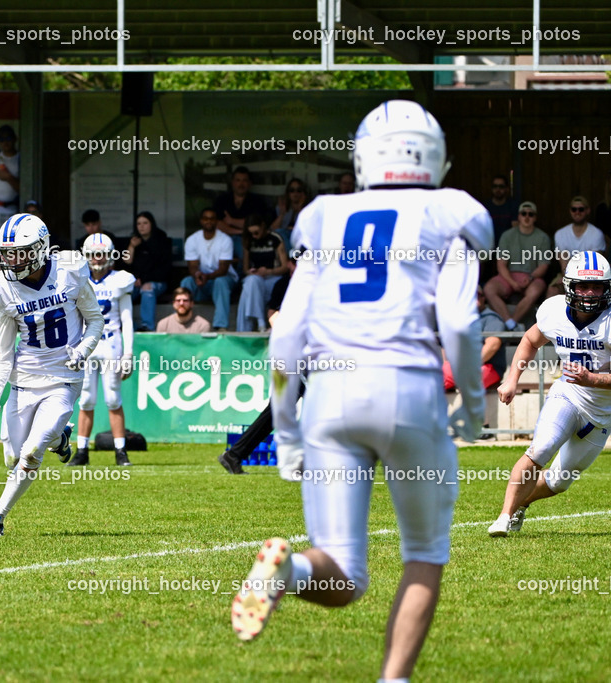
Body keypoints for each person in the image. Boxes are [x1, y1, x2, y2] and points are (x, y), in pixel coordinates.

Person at [232, 100, 492, 683]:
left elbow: (287, 337)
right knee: (424, 553)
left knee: (343, 575)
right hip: (409, 392)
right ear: (436, 158)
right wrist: (473, 408)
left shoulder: (326, 217)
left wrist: (289, 434)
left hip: (329, 396)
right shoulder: (447, 213)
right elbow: (456, 324)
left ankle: (290, 572)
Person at [0, 213, 104, 537]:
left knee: (32, 452)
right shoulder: (2, 288)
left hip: (63, 376)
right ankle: (61, 437)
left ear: (39, 247)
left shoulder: (70, 270)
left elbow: (95, 320)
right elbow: (5, 351)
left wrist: (82, 351)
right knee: (12, 457)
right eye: (7, 252)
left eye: (19, 252)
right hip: (24, 380)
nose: (12, 259)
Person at [488, 252, 611, 537]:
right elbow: (530, 340)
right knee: (541, 449)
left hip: (602, 413)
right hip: (568, 395)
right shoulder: (554, 310)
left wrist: (593, 378)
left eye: (597, 287)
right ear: (569, 285)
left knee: (558, 482)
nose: (590, 293)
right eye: (583, 286)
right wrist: (512, 380)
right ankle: (503, 518)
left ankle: (521, 505)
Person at [70, 233, 136, 467]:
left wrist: (129, 353)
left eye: (101, 254)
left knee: (112, 398)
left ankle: (120, 451)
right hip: (87, 345)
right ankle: (81, 451)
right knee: (86, 399)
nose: (97, 259)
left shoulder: (120, 280)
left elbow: (127, 321)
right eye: (93, 254)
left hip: (111, 343)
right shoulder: (79, 280)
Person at [483, 201, 550, 330]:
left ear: (535, 217)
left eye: (530, 214)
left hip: (532, 277)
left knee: (536, 290)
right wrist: (512, 282)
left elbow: (543, 266)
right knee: (489, 288)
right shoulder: (507, 235)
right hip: (509, 276)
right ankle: (510, 323)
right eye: (523, 213)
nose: (526, 217)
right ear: (518, 216)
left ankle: (513, 322)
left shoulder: (543, 237)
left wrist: (530, 278)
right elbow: (501, 264)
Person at [181, 208, 237, 331]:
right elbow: (192, 266)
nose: (209, 221)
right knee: (186, 282)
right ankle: (185, 322)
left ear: (217, 221)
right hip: (202, 281)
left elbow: (223, 269)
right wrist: (197, 275)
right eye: (206, 218)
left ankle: (220, 326)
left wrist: (207, 277)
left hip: (222, 280)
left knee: (220, 282)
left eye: (212, 218)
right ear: (201, 221)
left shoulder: (225, 240)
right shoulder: (192, 240)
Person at [236, 214, 289, 333]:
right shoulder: (249, 241)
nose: (254, 236)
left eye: (256, 232)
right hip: (255, 279)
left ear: (263, 226)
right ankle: (261, 322)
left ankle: (244, 330)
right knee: (251, 282)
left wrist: (268, 271)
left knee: (248, 291)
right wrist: (251, 272)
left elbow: (285, 266)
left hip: (273, 278)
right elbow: (245, 269)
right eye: (251, 234)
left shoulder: (275, 239)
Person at [547, 196, 607, 298]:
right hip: (567, 275)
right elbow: (563, 265)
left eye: (581, 209)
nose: (577, 212)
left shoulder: (596, 234)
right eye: (574, 209)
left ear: (587, 211)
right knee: (552, 290)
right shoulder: (561, 234)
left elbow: (594, 265)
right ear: (570, 211)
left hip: (592, 278)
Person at [122, 211, 172, 332]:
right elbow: (127, 263)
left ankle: (148, 327)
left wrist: (144, 279)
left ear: (152, 224)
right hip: (137, 282)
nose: (142, 226)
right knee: (122, 294)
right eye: (139, 224)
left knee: (147, 289)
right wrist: (132, 247)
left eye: (145, 223)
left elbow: (164, 269)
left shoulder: (162, 241)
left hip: (157, 282)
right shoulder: (134, 241)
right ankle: (129, 328)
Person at [214, 166, 272, 258]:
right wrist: (241, 230)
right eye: (238, 180)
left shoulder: (257, 201)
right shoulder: (222, 200)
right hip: (223, 238)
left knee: (245, 254)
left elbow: (255, 225)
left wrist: (232, 221)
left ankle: (243, 273)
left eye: (244, 180)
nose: (241, 184)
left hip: (247, 240)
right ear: (232, 182)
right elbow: (218, 224)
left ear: (250, 183)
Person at [270, 178, 309, 253]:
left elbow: (309, 230)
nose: (295, 193)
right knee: (279, 232)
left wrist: (301, 210)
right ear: (288, 193)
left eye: (299, 190)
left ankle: (292, 258)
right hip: (285, 237)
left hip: (300, 238)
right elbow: (272, 229)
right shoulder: (282, 207)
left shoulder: (308, 209)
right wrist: (282, 214)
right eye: (292, 190)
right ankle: (291, 257)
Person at [483, 174, 518, 243]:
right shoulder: (485, 207)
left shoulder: (512, 206)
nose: (498, 189)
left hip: (508, 245)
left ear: (507, 189)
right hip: (489, 245)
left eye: (501, 187)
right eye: (495, 186)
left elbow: (515, 230)